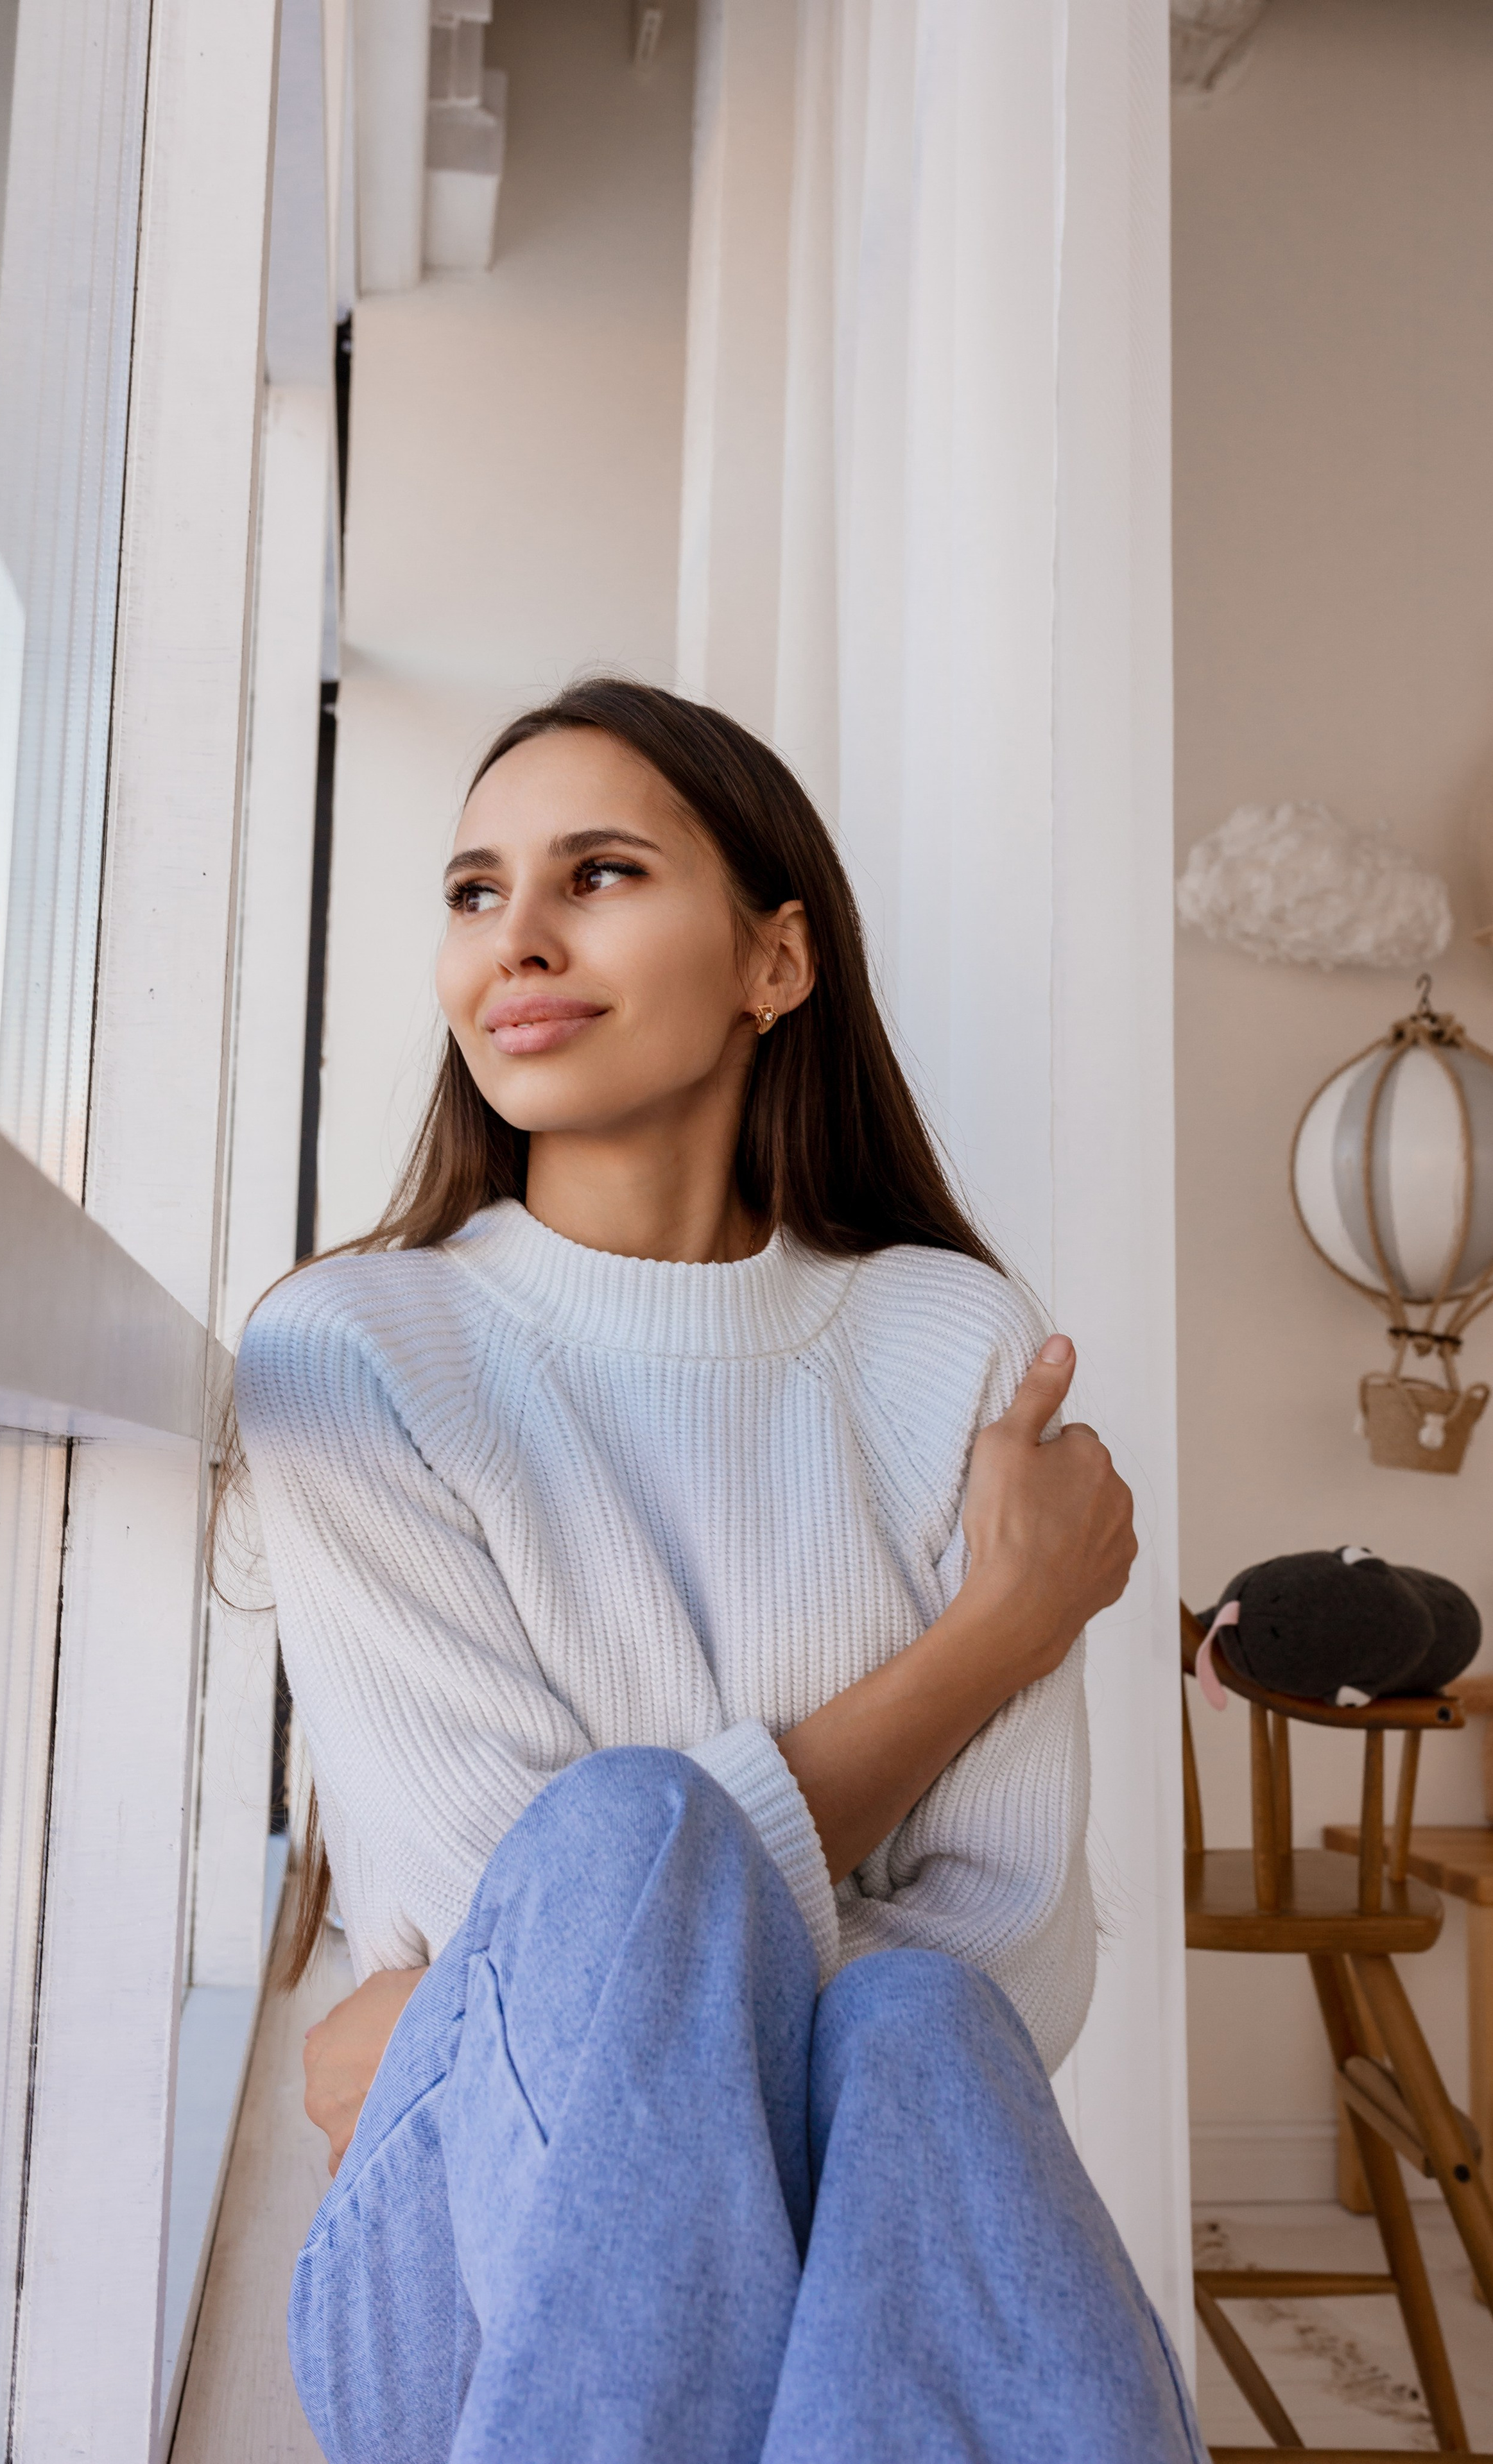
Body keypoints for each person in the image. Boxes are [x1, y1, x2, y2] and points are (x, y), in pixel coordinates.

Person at [232, 680, 1204, 2463]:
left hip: (865, 2236)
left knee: (920, 2016)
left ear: (777, 962)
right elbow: (537, 1934)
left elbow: (1010, 1950)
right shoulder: (351, 1348)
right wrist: (995, 1634)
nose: (513, 937)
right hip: (481, 2269)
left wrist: (606, 1958)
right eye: (471, 892)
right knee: (631, 1843)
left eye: (595, 874)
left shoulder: (950, 1343)